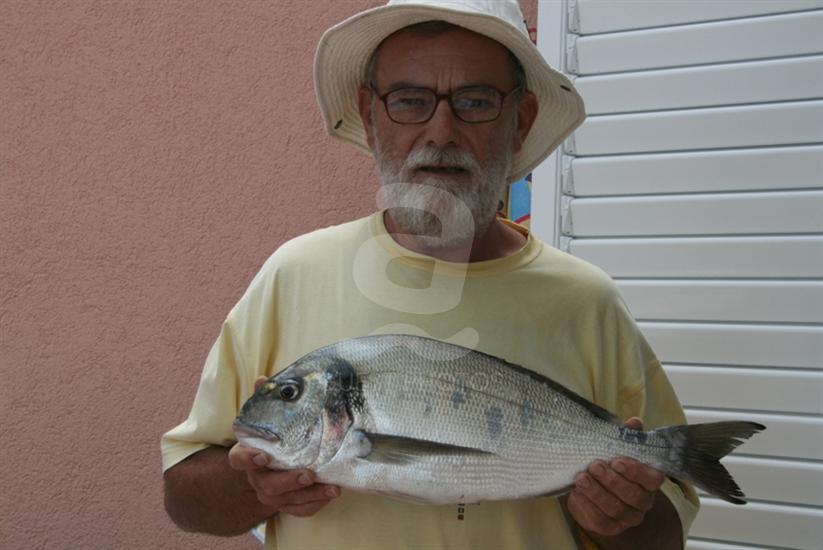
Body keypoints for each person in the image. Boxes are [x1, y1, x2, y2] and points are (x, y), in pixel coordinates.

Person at [161, 1, 699, 548]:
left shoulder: (588, 302)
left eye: (475, 101)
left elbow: (664, 537)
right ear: (370, 116)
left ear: (522, 122)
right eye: (410, 101)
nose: (441, 131)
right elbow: (182, 496)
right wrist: (251, 484)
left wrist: (621, 516)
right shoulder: (290, 274)